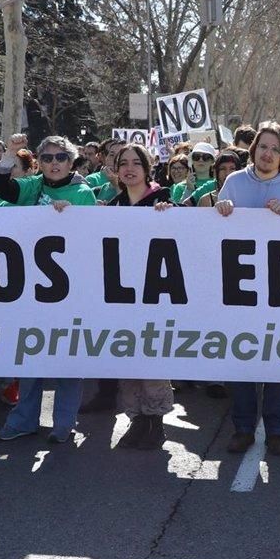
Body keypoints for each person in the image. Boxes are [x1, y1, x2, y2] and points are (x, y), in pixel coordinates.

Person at [214, 122, 280, 456]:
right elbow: (217, 232)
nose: (267, 154)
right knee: (241, 359)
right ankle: (242, 428)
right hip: (239, 288)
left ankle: (276, 430)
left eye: (274, 149)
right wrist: (221, 211)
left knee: (275, 361)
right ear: (253, 150)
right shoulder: (234, 183)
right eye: (262, 147)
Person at [0, 138, 93, 444]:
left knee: (68, 360)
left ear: (71, 161)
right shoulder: (31, 186)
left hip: (70, 292)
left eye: (61, 157)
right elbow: (1, 189)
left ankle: (64, 424)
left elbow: (92, 239)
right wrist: (9, 155)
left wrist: (71, 217)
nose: (54, 162)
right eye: (47, 157)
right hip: (30, 290)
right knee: (30, 357)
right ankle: (23, 420)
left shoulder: (82, 192)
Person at [101, 142, 176, 448]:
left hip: (154, 299)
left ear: (147, 169)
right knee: (128, 362)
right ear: (116, 171)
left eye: (136, 163)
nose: (129, 169)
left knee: (152, 364)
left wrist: (170, 215)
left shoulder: (164, 201)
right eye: (123, 163)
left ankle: (155, 423)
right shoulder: (113, 207)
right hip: (122, 300)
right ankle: (137, 419)